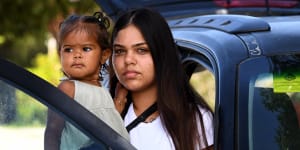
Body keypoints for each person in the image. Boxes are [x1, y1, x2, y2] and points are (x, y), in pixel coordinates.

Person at [109, 8, 214, 150]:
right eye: (120, 51)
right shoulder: (103, 113)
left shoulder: (195, 120)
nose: (128, 60)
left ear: (162, 54)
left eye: (141, 50)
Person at [44, 12, 129, 150]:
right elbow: (52, 131)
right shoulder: (68, 88)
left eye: (86, 49)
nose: (77, 55)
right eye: (68, 49)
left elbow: (108, 121)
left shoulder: (102, 89)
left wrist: (119, 100)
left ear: (104, 55)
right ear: (60, 54)